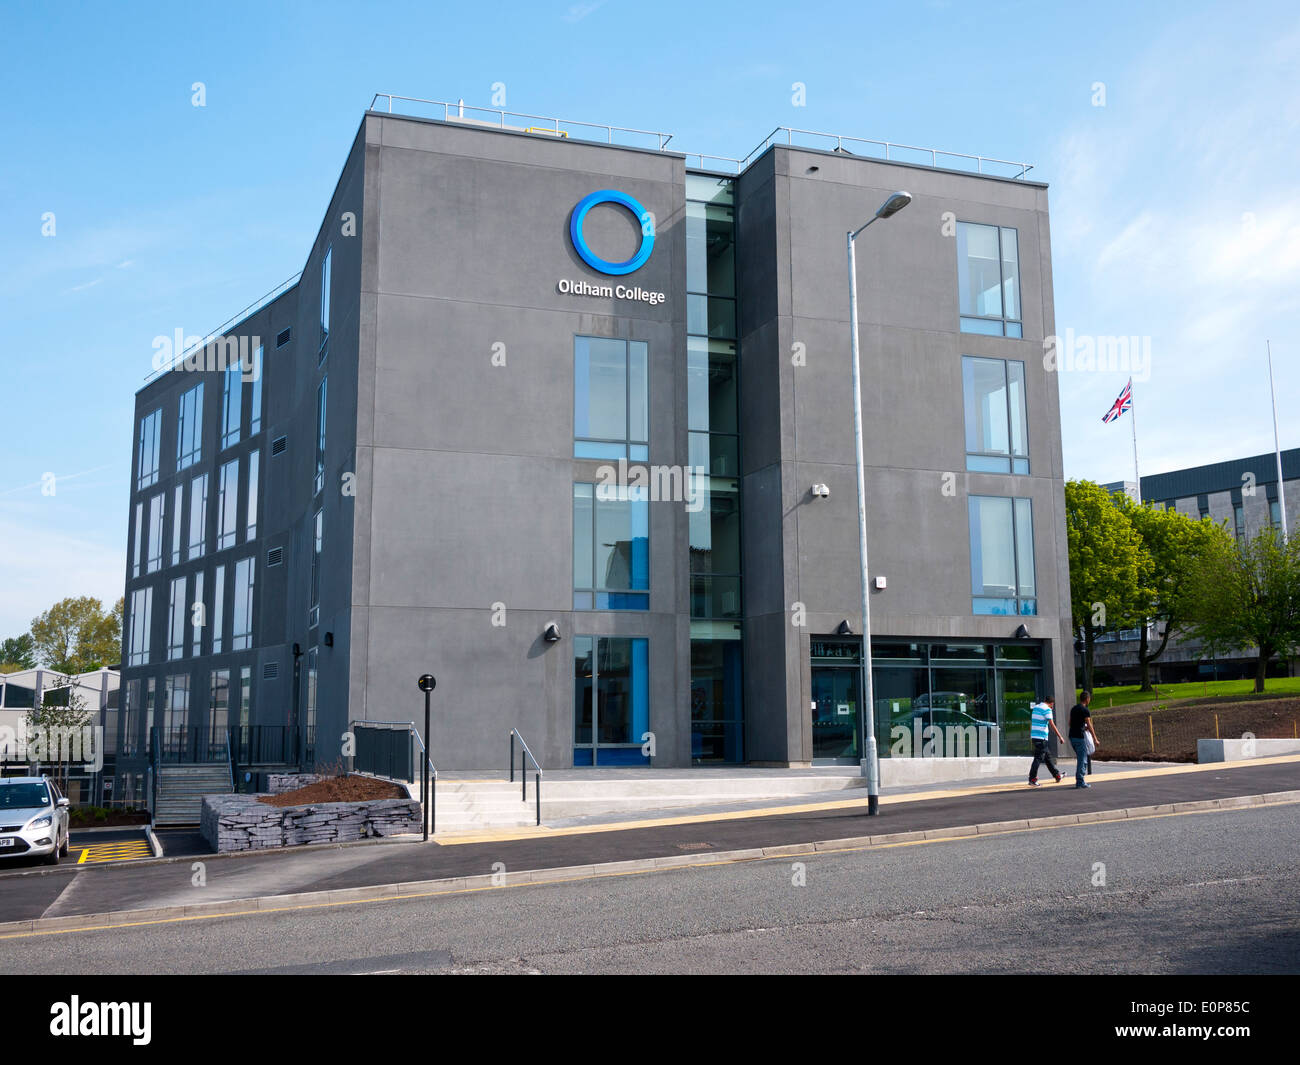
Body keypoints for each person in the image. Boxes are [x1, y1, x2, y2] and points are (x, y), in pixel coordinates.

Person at [1028, 695, 1065, 786]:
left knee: (1047, 758)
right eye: (1053, 705)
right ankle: (1032, 779)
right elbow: (1052, 725)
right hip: (1042, 738)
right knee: (1038, 758)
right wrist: (1060, 736)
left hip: (1034, 736)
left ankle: (1057, 775)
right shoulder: (1047, 710)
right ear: (1051, 703)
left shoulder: (1036, 707)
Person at [1069, 690, 1099, 788]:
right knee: (1083, 759)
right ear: (1087, 699)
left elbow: (1070, 723)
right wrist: (1095, 738)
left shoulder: (1074, 708)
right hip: (1079, 737)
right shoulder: (1085, 710)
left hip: (1072, 736)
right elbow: (1089, 725)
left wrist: (1082, 727)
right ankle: (1080, 781)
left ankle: (1080, 780)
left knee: (1081, 758)